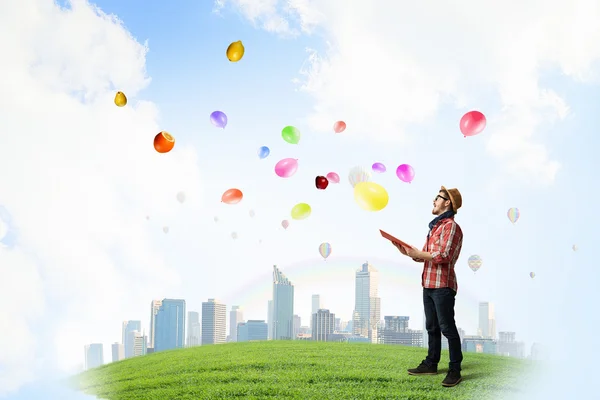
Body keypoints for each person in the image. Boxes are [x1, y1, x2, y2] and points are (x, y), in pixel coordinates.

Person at [392, 186, 464, 387]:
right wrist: (406, 251)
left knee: (447, 329)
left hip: (443, 285)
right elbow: (423, 257)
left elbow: (444, 255)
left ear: (447, 202)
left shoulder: (450, 226)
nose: (433, 201)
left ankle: (455, 370)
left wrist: (418, 253)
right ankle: (431, 364)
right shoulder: (435, 227)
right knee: (431, 327)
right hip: (429, 283)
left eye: (437, 198)